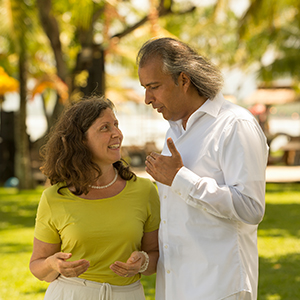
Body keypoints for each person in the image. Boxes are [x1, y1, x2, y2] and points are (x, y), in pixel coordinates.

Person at [137, 37, 269, 300]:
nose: (147, 99)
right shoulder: (173, 131)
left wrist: (181, 179)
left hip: (218, 288)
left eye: (154, 86)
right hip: (175, 287)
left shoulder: (235, 124)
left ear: (183, 80)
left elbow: (251, 208)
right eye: (144, 88)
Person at [29, 96, 160, 300]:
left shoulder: (144, 191)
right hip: (70, 293)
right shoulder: (54, 197)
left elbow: (155, 257)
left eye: (116, 125)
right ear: (81, 140)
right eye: (105, 128)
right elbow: (37, 265)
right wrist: (53, 264)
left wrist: (142, 262)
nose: (117, 133)